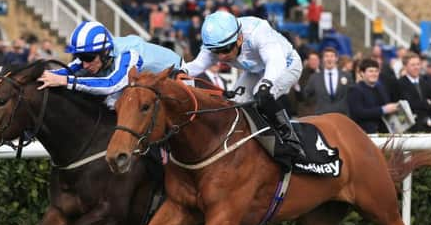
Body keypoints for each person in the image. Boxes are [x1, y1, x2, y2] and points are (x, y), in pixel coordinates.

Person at [183, 11, 306, 160]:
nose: (221, 56)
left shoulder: (258, 32)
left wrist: (265, 84)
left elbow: (275, 61)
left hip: (286, 65)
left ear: (240, 38)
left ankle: (292, 141)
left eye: (225, 49)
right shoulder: (216, 40)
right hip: (255, 70)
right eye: (216, 51)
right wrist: (179, 71)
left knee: (260, 97)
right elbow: (197, 65)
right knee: (234, 105)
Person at [36, 21, 183, 109]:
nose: (85, 64)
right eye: (80, 57)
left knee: (112, 103)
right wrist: (38, 76)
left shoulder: (128, 54)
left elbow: (111, 84)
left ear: (105, 51)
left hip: (178, 78)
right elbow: (65, 71)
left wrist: (66, 81)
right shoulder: (97, 53)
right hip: (140, 84)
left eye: (88, 57)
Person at [347, 58, 399, 134]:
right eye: (370, 71)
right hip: (364, 133)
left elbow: (385, 106)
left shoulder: (381, 88)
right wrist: (383, 110)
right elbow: (358, 113)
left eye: (376, 71)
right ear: (362, 73)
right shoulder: (355, 90)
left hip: (384, 132)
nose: (374, 74)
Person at [393, 52, 431, 132]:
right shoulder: (399, 84)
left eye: (418, 64)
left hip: (429, 127)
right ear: (405, 66)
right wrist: (426, 103)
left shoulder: (426, 82)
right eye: (413, 65)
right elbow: (407, 105)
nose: (416, 67)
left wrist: (421, 104)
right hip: (410, 129)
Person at [304, 46, 353, 116]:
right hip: (322, 116)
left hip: (342, 116)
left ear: (336, 58)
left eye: (332, 56)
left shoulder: (347, 76)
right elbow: (306, 95)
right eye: (326, 56)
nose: (329, 59)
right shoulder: (314, 77)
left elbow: (352, 95)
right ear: (322, 59)